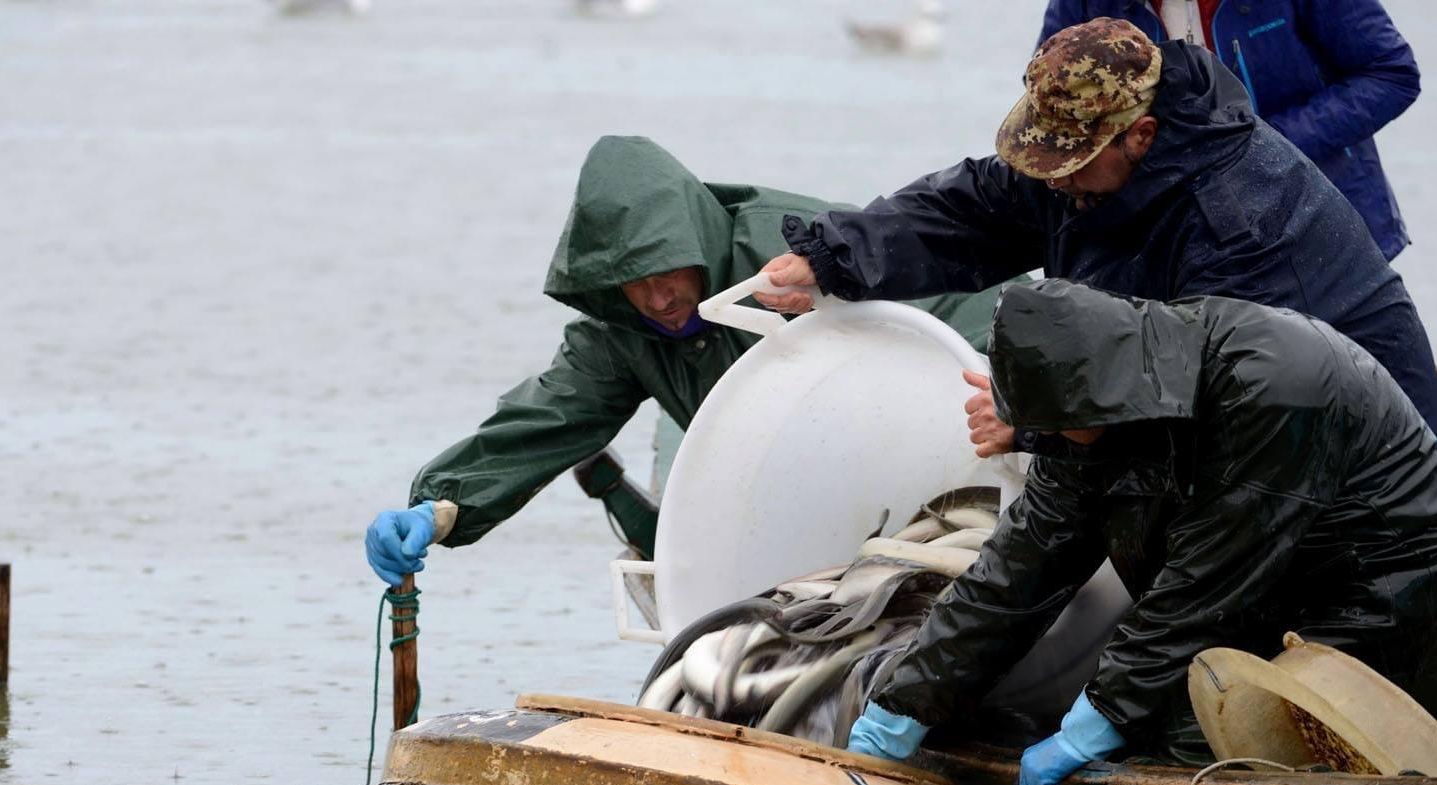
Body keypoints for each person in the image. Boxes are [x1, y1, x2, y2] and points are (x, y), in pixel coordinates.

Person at [843, 280, 1437, 785]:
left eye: (1065, 425)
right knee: (1146, 713)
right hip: (1269, 579)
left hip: (1388, 579)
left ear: (1108, 389)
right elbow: (1019, 566)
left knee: (1192, 739)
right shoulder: (1089, 413)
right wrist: (904, 703)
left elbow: (1206, 585)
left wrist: (1094, 723)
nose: (1059, 441)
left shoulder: (1273, 384)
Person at [756, 18, 1437, 463]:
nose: (1054, 179)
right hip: (1217, 405)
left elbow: (1203, 397)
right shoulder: (1089, 164)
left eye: (1071, 162)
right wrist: (830, 257)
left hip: (1346, 446)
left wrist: (1034, 426)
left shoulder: (1235, 224)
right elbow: (973, 209)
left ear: (1140, 136)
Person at [363, 136, 1012, 588]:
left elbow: (949, 289)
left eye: (665, 270)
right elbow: (548, 417)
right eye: (632, 283)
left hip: (950, 445)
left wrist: (1010, 391)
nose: (659, 296)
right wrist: (442, 502)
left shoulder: (789, 254)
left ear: (694, 239)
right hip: (811, 504)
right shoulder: (625, 331)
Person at [1035, 1, 1420, 260]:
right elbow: (1047, 102)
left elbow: (1391, 72)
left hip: (1319, 228)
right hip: (1168, 242)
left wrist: (1254, 148)